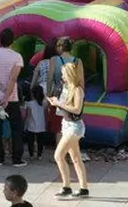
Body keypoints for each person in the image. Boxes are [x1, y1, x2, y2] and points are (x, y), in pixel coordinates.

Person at [0, 28, 25, 167]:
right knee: (16, 127)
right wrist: (6, 96)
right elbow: (13, 79)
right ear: (13, 41)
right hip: (12, 98)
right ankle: (16, 158)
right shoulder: (17, 57)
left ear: (0, 40)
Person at [48, 62, 89, 199]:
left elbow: (77, 109)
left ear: (70, 75)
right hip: (66, 124)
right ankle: (83, 189)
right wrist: (55, 102)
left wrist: (59, 103)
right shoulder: (67, 88)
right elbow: (65, 106)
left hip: (75, 126)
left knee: (58, 155)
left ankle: (66, 187)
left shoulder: (77, 90)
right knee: (76, 158)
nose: (62, 77)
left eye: (64, 74)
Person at [25, 84, 47, 161]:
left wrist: (25, 125)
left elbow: (28, 116)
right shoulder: (44, 104)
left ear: (33, 94)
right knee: (40, 141)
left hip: (31, 125)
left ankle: (31, 155)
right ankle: (39, 155)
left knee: (30, 141)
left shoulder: (29, 104)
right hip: (41, 125)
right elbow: (45, 115)